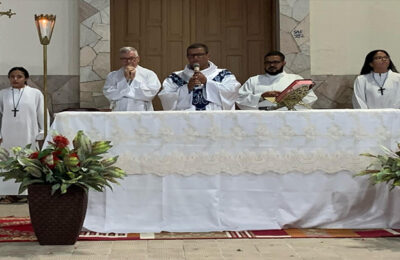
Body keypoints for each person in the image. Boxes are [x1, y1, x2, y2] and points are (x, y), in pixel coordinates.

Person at [0, 67, 46, 203]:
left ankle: (30, 192)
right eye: (12, 76)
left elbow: (42, 113)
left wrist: (43, 131)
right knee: (8, 161)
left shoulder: (35, 94)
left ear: (26, 78)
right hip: (8, 135)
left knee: (28, 161)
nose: (15, 79)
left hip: (29, 133)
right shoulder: (3, 94)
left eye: (19, 76)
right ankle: (9, 194)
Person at [159, 43, 241, 110]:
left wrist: (207, 82)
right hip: (186, 121)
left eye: (199, 55)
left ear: (208, 56)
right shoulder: (175, 77)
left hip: (215, 119)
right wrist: (187, 88)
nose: (195, 58)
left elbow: (232, 92)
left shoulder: (224, 74)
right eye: (191, 56)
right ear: (187, 57)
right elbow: (166, 98)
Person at [236, 51, 317, 110]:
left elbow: (310, 98)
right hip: (260, 120)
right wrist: (261, 97)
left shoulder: (295, 79)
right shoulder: (253, 80)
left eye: (276, 62)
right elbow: (239, 99)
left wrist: (288, 99)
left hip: (289, 119)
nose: (271, 65)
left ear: (283, 63)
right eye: (268, 62)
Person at [103, 47, 161, 111]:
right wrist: (126, 80)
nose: (128, 61)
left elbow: (150, 94)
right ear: (120, 60)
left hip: (141, 110)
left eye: (131, 58)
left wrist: (133, 80)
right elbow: (110, 95)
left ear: (138, 59)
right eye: (124, 59)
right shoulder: (112, 75)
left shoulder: (149, 74)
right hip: (120, 111)